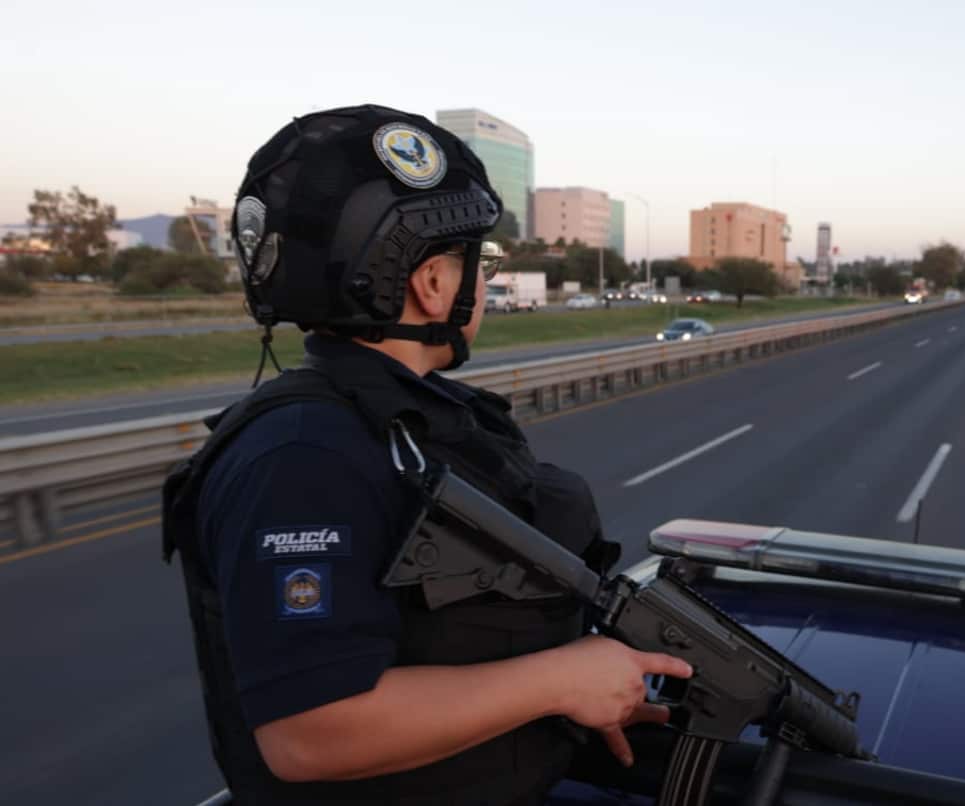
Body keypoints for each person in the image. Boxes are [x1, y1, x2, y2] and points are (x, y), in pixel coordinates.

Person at [161, 105, 690, 806]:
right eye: (482, 263)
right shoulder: (302, 457)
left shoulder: (404, 424)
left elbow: (444, 640)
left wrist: (574, 701)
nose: (486, 283)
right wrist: (561, 680)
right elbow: (309, 732)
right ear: (432, 284)